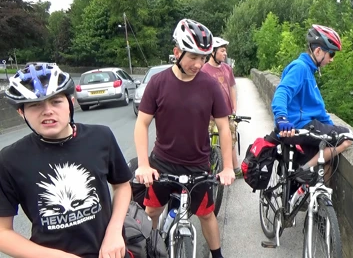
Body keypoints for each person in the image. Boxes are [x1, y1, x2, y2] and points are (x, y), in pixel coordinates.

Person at [0, 64, 133, 258]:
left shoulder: (101, 137)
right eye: (34, 104)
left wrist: (114, 232)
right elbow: (3, 232)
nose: (47, 111)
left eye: (56, 101)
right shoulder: (9, 159)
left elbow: (122, 185)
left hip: (108, 252)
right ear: (22, 113)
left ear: (71, 102)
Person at [133, 19, 234, 258]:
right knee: (152, 211)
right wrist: (143, 165)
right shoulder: (158, 83)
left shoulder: (210, 86)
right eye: (193, 57)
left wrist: (228, 167)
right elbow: (142, 123)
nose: (199, 64)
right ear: (176, 52)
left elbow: (224, 126)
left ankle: (217, 255)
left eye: (203, 57)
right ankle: (151, 251)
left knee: (207, 214)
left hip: (198, 163)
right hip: (163, 162)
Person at [271, 24, 353, 181]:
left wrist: (331, 127)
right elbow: (282, 91)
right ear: (318, 51)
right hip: (297, 127)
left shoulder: (308, 71)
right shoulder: (300, 68)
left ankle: (311, 196)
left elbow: (319, 112)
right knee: (346, 137)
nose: (332, 59)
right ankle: (302, 172)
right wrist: (282, 118)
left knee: (330, 158)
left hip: (303, 126)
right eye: (331, 54)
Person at [201, 37, 241, 178]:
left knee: (230, 139)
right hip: (209, 115)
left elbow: (232, 88)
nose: (225, 54)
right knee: (204, 141)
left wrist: (234, 108)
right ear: (213, 52)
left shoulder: (227, 69)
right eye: (222, 51)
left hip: (227, 113)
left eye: (225, 51)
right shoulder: (204, 70)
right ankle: (204, 169)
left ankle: (235, 169)